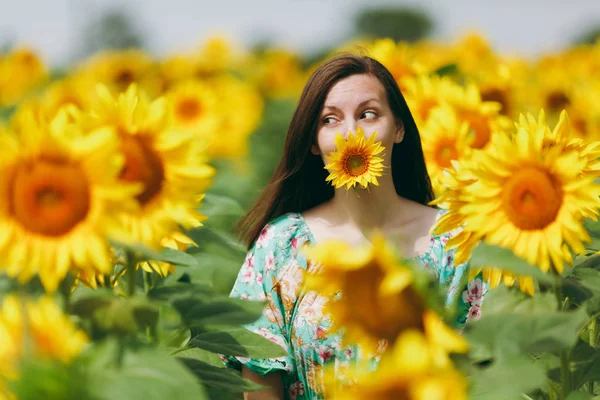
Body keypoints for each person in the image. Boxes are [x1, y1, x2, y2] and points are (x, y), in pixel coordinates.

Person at [223, 54, 486, 400]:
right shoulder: (282, 246)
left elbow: (483, 378)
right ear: (314, 143)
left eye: (368, 114)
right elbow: (260, 387)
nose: (351, 134)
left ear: (399, 128)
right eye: (330, 120)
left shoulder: (455, 242)